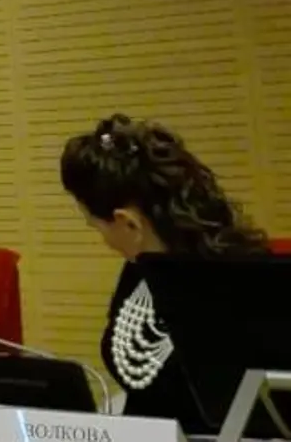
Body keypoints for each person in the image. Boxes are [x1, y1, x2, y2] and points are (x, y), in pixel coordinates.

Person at [60, 114, 273, 434]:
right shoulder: (139, 270)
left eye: (96, 225)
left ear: (128, 223)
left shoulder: (243, 288)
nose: (102, 239)